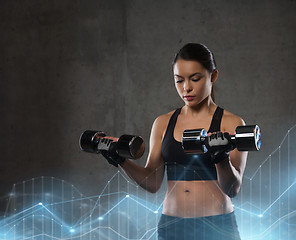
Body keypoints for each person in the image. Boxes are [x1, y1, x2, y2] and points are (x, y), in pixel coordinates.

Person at [102, 43, 248, 240]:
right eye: (179, 81)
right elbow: (152, 182)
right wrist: (120, 161)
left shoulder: (231, 123)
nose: (186, 88)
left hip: (217, 228)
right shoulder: (163, 123)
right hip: (173, 228)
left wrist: (221, 157)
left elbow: (233, 189)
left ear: (213, 76)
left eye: (195, 79)